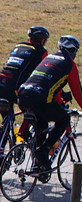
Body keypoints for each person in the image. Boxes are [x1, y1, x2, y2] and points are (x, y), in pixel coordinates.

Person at [17, 35, 82, 173]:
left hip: (23, 95)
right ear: (74, 51)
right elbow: (78, 94)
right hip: (39, 98)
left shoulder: (50, 57)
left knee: (42, 123)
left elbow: (49, 85)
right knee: (64, 119)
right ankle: (44, 150)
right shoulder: (70, 64)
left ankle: (39, 164)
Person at [0, 26, 50, 123]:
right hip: (14, 89)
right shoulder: (41, 52)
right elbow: (44, 74)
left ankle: (2, 136)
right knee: (33, 113)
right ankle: (22, 135)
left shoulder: (18, 46)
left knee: (7, 120)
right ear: (42, 40)